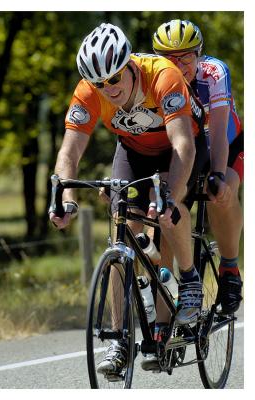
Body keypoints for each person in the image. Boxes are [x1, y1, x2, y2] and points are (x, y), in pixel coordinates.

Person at [49, 22, 208, 375]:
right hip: (134, 151)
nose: (109, 89)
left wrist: (169, 195)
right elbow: (69, 152)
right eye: (100, 84)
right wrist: (66, 198)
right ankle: (120, 338)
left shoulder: (162, 76)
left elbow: (184, 145)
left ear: (130, 66)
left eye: (115, 79)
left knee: (170, 209)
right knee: (121, 229)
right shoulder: (88, 92)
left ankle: (188, 278)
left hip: (179, 147)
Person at [152, 19, 243, 316]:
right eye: (169, 58)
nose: (178, 64)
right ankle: (164, 318)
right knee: (167, 202)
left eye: (186, 57)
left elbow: (218, 132)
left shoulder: (214, 72)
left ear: (199, 54)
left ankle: (229, 267)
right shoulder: (154, 78)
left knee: (221, 188)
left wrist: (217, 175)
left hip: (224, 139)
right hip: (188, 144)